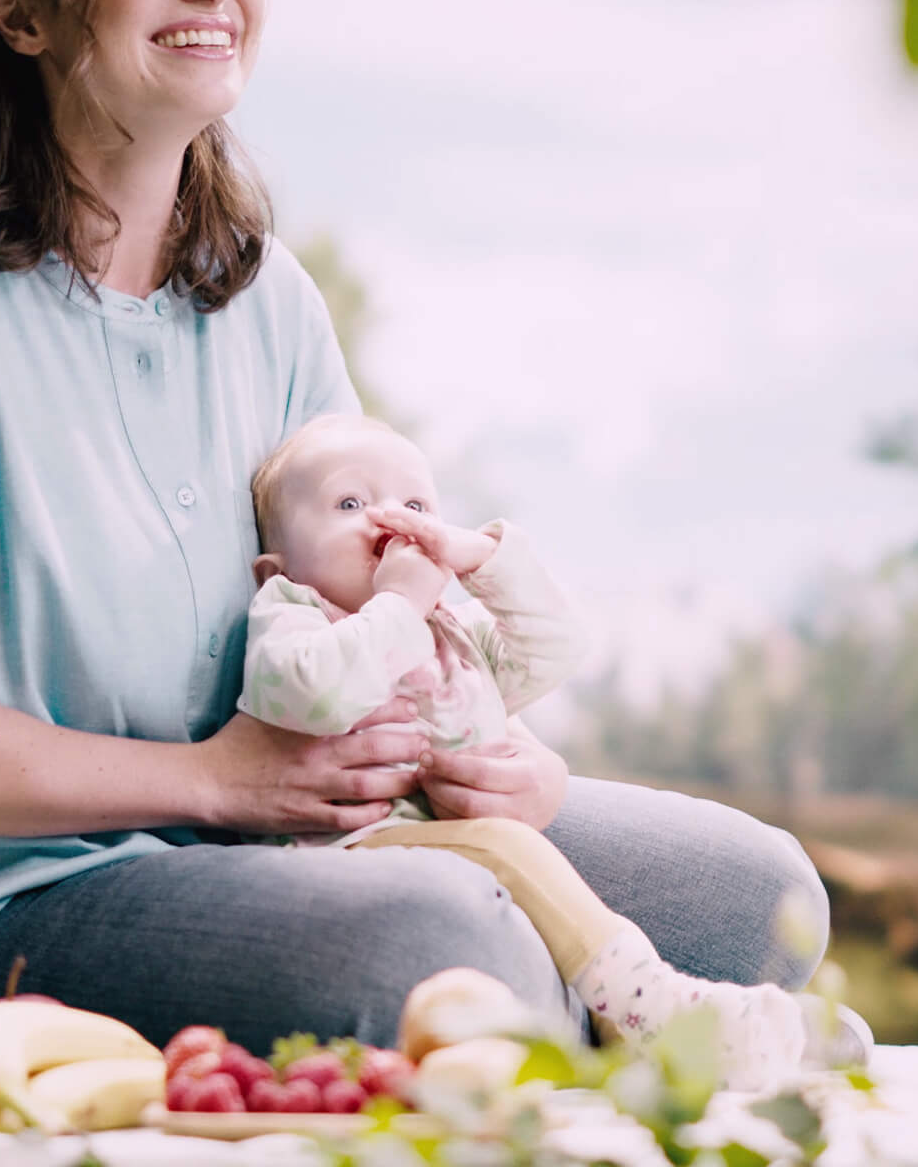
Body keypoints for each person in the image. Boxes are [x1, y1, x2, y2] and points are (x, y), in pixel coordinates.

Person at [0, 0, 833, 1060]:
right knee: (449, 940)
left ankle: (555, 1026)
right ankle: (601, 1034)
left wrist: (503, 769)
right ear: (23, 14)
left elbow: (368, 599)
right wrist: (216, 781)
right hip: (0, 911)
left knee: (758, 896)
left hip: (300, 845)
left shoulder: (266, 300)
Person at [237, 413, 863, 1082]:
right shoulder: (292, 615)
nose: (390, 518)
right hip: (348, 849)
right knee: (508, 856)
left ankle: (702, 1027)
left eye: (416, 504)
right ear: (276, 566)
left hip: (457, 840)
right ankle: (650, 1008)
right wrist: (396, 604)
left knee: (534, 871)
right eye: (351, 503)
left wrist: (481, 559)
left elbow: (555, 649)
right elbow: (319, 695)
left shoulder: (449, 628)